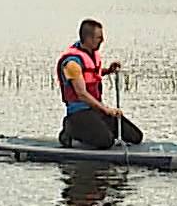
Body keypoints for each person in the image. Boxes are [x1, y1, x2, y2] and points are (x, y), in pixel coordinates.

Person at [56, 18, 144, 150]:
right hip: (79, 113)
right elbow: (82, 94)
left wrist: (108, 71)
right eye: (99, 37)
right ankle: (69, 133)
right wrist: (106, 110)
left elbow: (90, 75)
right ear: (88, 38)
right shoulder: (72, 64)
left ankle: (96, 131)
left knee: (136, 136)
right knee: (106, 141)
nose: (102, 40)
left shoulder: (90, 54)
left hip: (94, 109)